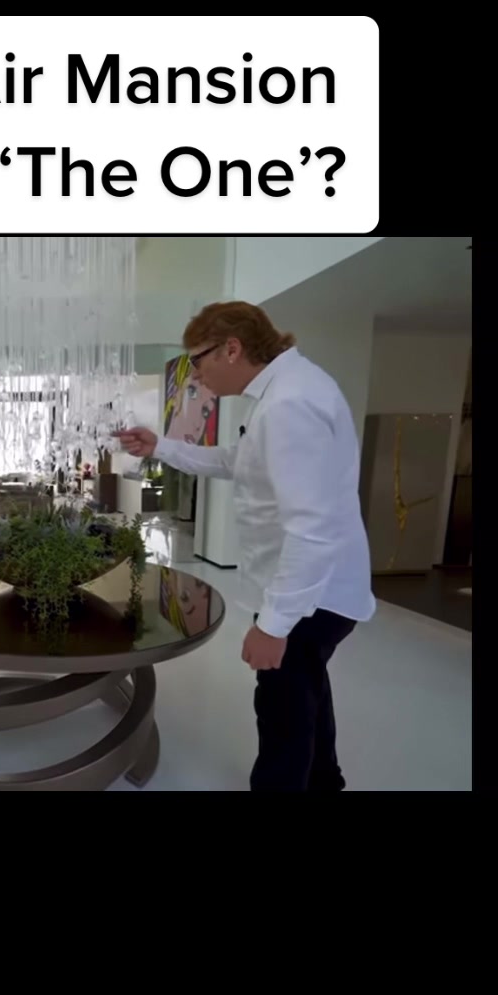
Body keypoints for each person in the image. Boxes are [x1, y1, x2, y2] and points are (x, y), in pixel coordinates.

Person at [118, 303, 375, 793]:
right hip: (314, 588)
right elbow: (237, 461)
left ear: (231, 349)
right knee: (306, 691)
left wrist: (274, 625)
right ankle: (324, 781)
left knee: (282, 711)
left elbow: (312, 530)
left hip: (309, 596)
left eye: (198, 360)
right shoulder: (289, 390)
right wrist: (161, 447)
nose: (196, 374)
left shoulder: (289, 404)